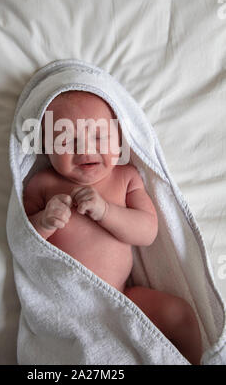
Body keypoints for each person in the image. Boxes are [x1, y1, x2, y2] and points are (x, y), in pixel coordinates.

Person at [23, 90, 202, 365]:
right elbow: (24, 243)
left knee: (180, 315)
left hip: (121, 296)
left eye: (98, 136)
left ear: (118, 137)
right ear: (47, 148)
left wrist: (106, 211)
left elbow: (147, 231)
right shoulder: (42, 185)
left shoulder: (126, 178)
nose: (85, 150)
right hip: (69, 305)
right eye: (67, 140)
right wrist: (44, 221)